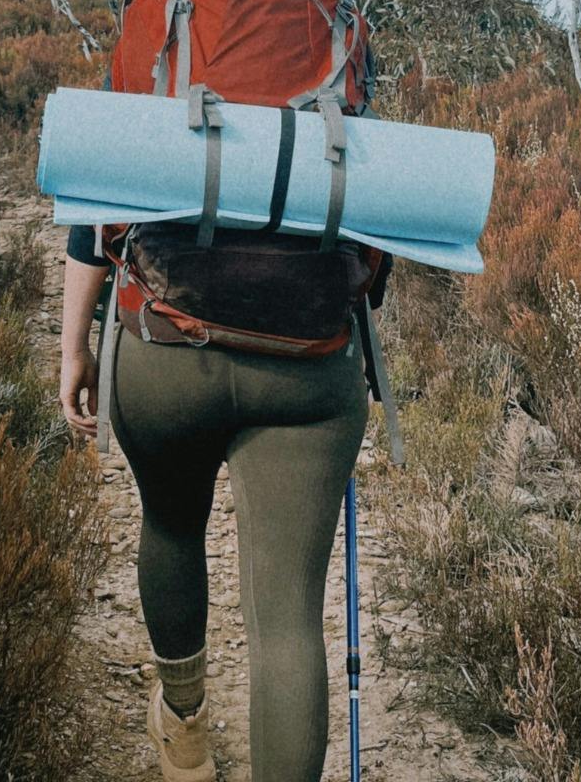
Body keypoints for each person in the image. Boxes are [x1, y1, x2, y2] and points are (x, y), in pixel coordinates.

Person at [59, 223, 369, 782]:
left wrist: (73, 347)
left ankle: (184, 731)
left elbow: (95, 216)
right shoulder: (344, 127)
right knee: (288, 619)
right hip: (305, 373)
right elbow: (375, 255)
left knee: (173, 524)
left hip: (165, 358)